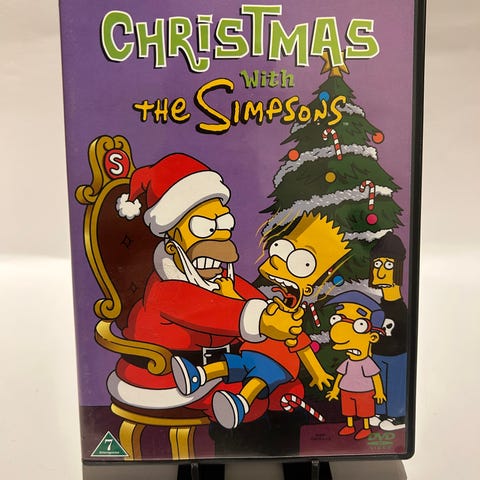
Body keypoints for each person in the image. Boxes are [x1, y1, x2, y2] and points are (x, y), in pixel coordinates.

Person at [112, 152, 303, 422]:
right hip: (167, 377)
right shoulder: (165, 290)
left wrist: (279, 318)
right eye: (204, 226)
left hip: (219, 368)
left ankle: (248, 395)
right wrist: (262, 320)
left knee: (281, 365)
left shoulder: (219, 278)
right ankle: (244, 398)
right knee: (267, 391)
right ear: (171, 244)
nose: (220, 237)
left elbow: (249, 298)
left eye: (223, 223)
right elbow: (204, 309)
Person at [171, 212, 351, 429]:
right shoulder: (270, 306)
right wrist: (229, 292)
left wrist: (318, 373)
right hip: (253, 352)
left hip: (278, 363)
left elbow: (302, 347)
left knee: (257, 379)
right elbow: (248, 311)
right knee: (231, 365)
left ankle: (241, 404)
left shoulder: (293, 320)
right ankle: (198, 376)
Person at [325, 291, 386, 440]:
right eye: (338, 318)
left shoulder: (367, 362)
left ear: (372, 337)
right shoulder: (348, 361)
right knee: (348, 410)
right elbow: (340, 375)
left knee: (365, 411)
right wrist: (335, 390)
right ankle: (350, 425)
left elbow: (375, 377)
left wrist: (379, 392)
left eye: (359, 325)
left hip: (365, 391)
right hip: (346, 390)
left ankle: (366, 427)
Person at [369, 232, 408, 431]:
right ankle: (381, 411)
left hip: (397, 355)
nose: (381, 271)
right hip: (378, 353)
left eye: (388, 265)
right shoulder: (378, 307)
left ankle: (397, 416)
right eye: (377, 264)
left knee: (395, 382)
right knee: (380, 382)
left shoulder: (401, 309)